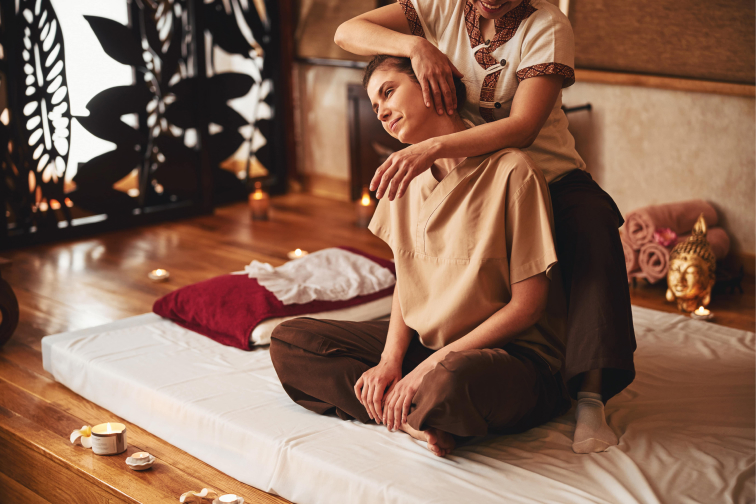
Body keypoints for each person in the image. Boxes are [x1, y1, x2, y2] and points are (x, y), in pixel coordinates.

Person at [334, 0, 635, 453]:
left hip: (544, 173)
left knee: (593, 222)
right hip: (469, 170)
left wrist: (431, 147)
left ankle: (590, 395)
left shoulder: (547, 25)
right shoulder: (440, 9)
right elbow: (347, 32)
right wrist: (415, 47)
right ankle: (406, 398)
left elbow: (523, 127)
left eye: (389, 95)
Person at [270, 56, 571, 457]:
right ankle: (418, 416)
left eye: (389, 92)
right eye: (375, 107)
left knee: (454, 381)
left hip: (507, 355)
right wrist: (390, 361)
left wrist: (428, 369)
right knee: (291, 341)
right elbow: (407, 281)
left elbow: (528, 308)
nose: (382, 112)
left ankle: (421, 404)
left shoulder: (513, 170)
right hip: (428, 345)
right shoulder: (404, 179)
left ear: (435, 85)